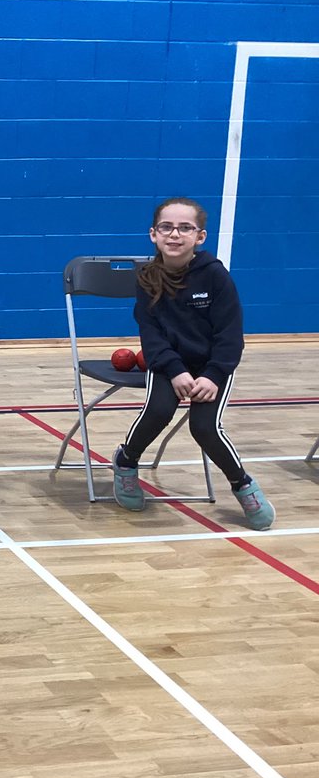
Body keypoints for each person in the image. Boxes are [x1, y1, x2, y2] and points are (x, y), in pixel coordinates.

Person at [111, 197, 274, 529]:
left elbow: (230, 334)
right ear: (153, 234)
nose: (175, 234)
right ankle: (126, 463)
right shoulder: (146, 277)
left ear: (200, 237)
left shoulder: (215, 276)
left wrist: (213, 375)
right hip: (169, 364)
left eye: (185, 228)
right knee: (158, 410)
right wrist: (174, 369)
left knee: (205, 427)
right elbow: (150, 332)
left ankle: (243, 485)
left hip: (213, 367)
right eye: (167, 227)